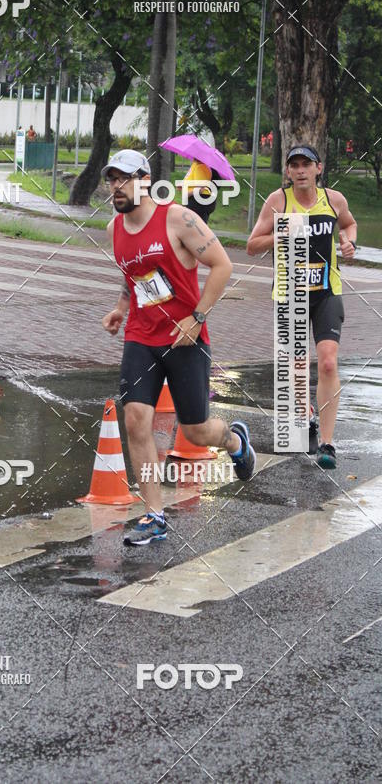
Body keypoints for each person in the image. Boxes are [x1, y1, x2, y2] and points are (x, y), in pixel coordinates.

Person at [101, 149, 256, 546]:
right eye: (111, 178)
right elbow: (132, 276)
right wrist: (121, 309)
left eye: (124, 178)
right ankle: (154, 514)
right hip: (141, 337)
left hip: (186, 339)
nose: (116, 186)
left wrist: (198, 317)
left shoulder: (179, 219)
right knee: (136, 420)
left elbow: (223, 266)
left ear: (145, 180)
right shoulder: (113, 229)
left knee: (196, 430)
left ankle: (235, 441)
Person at [247, 144, 357, 469]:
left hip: (326, 292)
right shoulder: (277, 201)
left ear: (318, 168)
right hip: (289, 294)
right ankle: (306, 411)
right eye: (293, 165)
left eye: (305, 164)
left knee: (326, 364)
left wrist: (349, 241)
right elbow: (252, 245)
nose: (299, 170)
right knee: (296, 368)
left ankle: (326, 443)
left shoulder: (334, 200)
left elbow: (349, 224)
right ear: (288, 171)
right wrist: (284, 229)